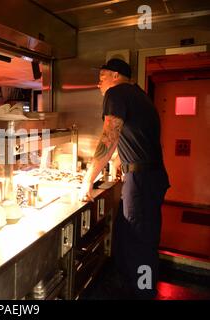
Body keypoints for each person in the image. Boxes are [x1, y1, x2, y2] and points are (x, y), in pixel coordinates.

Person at [80, 58, 170, 299]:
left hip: (141, 182)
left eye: (103, 75)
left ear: (116, 76)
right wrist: (120, 161)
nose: (99, 81)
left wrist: (88, 180)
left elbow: (109, 137)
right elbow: (134, 137)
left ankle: (144, 293)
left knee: (140, 242)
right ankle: (128, 288)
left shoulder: (116, 93)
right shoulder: (138, 94)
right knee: (126, 235)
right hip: (148, 178)